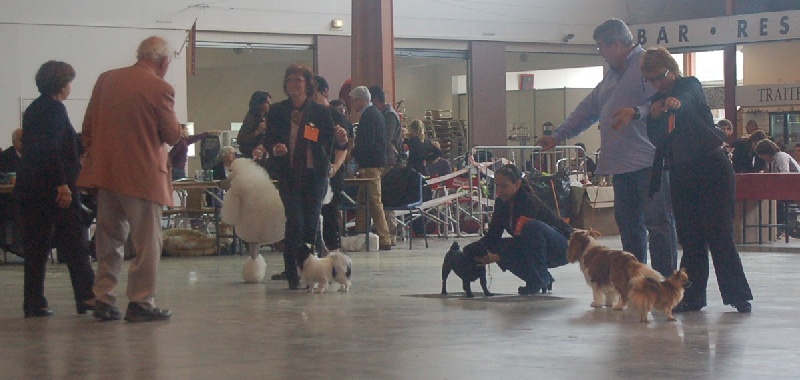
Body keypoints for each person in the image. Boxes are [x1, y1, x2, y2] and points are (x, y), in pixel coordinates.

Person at [536, 18, 678, 277]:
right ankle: (636, 281)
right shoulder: (612, 75)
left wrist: (635, 112)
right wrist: (558, 136)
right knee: (629, 227)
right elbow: (588, 108)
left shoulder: (646, 64)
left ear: (616, 44)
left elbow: (662, 101)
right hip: (621, 166)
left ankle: (666, 283)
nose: (600, 53)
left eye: (601, 47)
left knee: (658, 224)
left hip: (650, 162)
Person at [634, 46, 752, 313]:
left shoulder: (690, 85)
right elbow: (657, 140)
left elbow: (690, 96)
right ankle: (692, 297)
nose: (657, 83)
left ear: (672, 69)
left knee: (719, 233)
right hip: (681, 172)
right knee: (690, 237)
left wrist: (677, 103)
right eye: (650, 80)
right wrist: (653, 119)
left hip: (712, 168)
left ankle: (738, 295)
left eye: (660, 76)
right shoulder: (657, 102)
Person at [77, 36, 181, 322]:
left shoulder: (105, 80)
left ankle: (103, 298)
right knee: (148, 243)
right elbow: (171, 135)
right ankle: (140, 301)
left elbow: (87, 127)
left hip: (107, 174)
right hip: (144, 178)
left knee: (108, 240)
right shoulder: (161, 88)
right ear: (163, 61)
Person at [252, 65, 348, 289]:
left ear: (308, 84)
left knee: (311, 224)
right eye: (290, 80)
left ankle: (311, 272)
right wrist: (275, 148)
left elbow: (333, 143)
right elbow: (268, 141)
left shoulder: (321, 112)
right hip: (289, 174)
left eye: (298, 80)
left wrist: (342, 140)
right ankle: (292, 273)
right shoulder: (277, 111)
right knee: (295, 221)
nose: (293, 84)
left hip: (315, 176)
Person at [14, 61, 96, 318]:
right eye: (69, 82)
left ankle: (34, 302)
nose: (70, 88)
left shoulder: (34, 110)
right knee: (75, 245)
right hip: (55, 190)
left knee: (36, 248)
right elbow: (52, 149)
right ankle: (87, 298)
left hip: (31, 189)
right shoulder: (55, 110)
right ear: (61, 85)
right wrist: (62, 184)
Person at [476, 164, 571, 294]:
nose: (498, 191)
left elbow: (522, 240)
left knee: (531, 227)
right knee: (496, 246)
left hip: (562, 247)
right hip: (536, 246)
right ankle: (541, 278)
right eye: (497, 186)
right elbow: (493, 235)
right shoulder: (501, 203)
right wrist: (473, 251)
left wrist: (499, 256)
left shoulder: (528, 201)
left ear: (517, 184)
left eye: (504, 186)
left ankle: (538, 280)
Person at [350, 85, 393, 250]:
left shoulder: (368, 116)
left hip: (370, 166)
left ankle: (384, 238)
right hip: (372, 164)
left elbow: (366, 142)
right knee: (362, 201)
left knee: (374, 201)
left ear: (361, 100)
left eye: (354, 101)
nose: (353, 105)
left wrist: (353, 155)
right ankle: (360, 234)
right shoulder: (375, 113)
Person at [313, 75, 351, 253]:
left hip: (332, 175)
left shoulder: (337, 117)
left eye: (314, 93)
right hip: (312, 173)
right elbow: (310, 141)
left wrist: (335, 166)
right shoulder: (309, 117)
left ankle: (334, 258)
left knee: (329, 215)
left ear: (325, 92)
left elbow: (343, 147)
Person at [369, 85, 403, 246]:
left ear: (375, 100)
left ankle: (390, 234)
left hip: (389, 161)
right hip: (386, 160)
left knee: (386, 198)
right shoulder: (385, 114)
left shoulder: (389, 116)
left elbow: (386, 139)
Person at [236, 91, 271, 159]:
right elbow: (241, 139)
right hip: (251, 155)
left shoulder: (267, 117)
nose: (270, 104)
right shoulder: (251, 119)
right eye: (267, 102)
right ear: (260, 104)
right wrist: (258, 131)